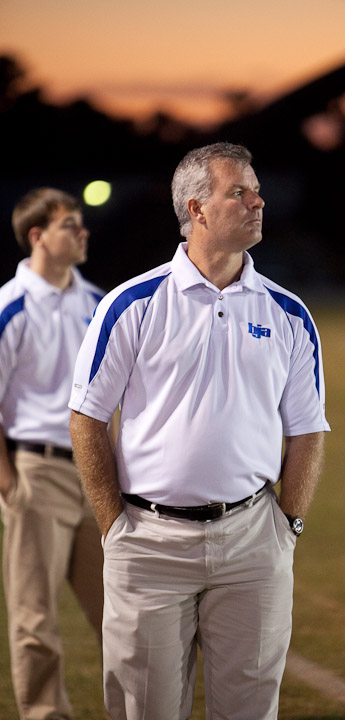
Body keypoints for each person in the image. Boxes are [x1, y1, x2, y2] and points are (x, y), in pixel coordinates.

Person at [69, 142, 331, 720]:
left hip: (253, 542)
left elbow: (308, 429)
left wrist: (287, 526)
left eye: (256, 190)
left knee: (250, 710)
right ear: (197, 209)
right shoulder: (132, 304)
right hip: (148, 544)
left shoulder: (288, 313)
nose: (258, 202)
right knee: (145, 710)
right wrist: (116, 527)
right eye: (238, 192)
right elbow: (86, 417)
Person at [0, 187, 105, 720]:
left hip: (97, 476)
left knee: (125, 614)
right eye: (69, 224)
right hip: (36, 472)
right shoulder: (10, 306)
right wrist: (9, 483)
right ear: (38, 236)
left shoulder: (98, 303)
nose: (82, 232)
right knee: (35, 620)